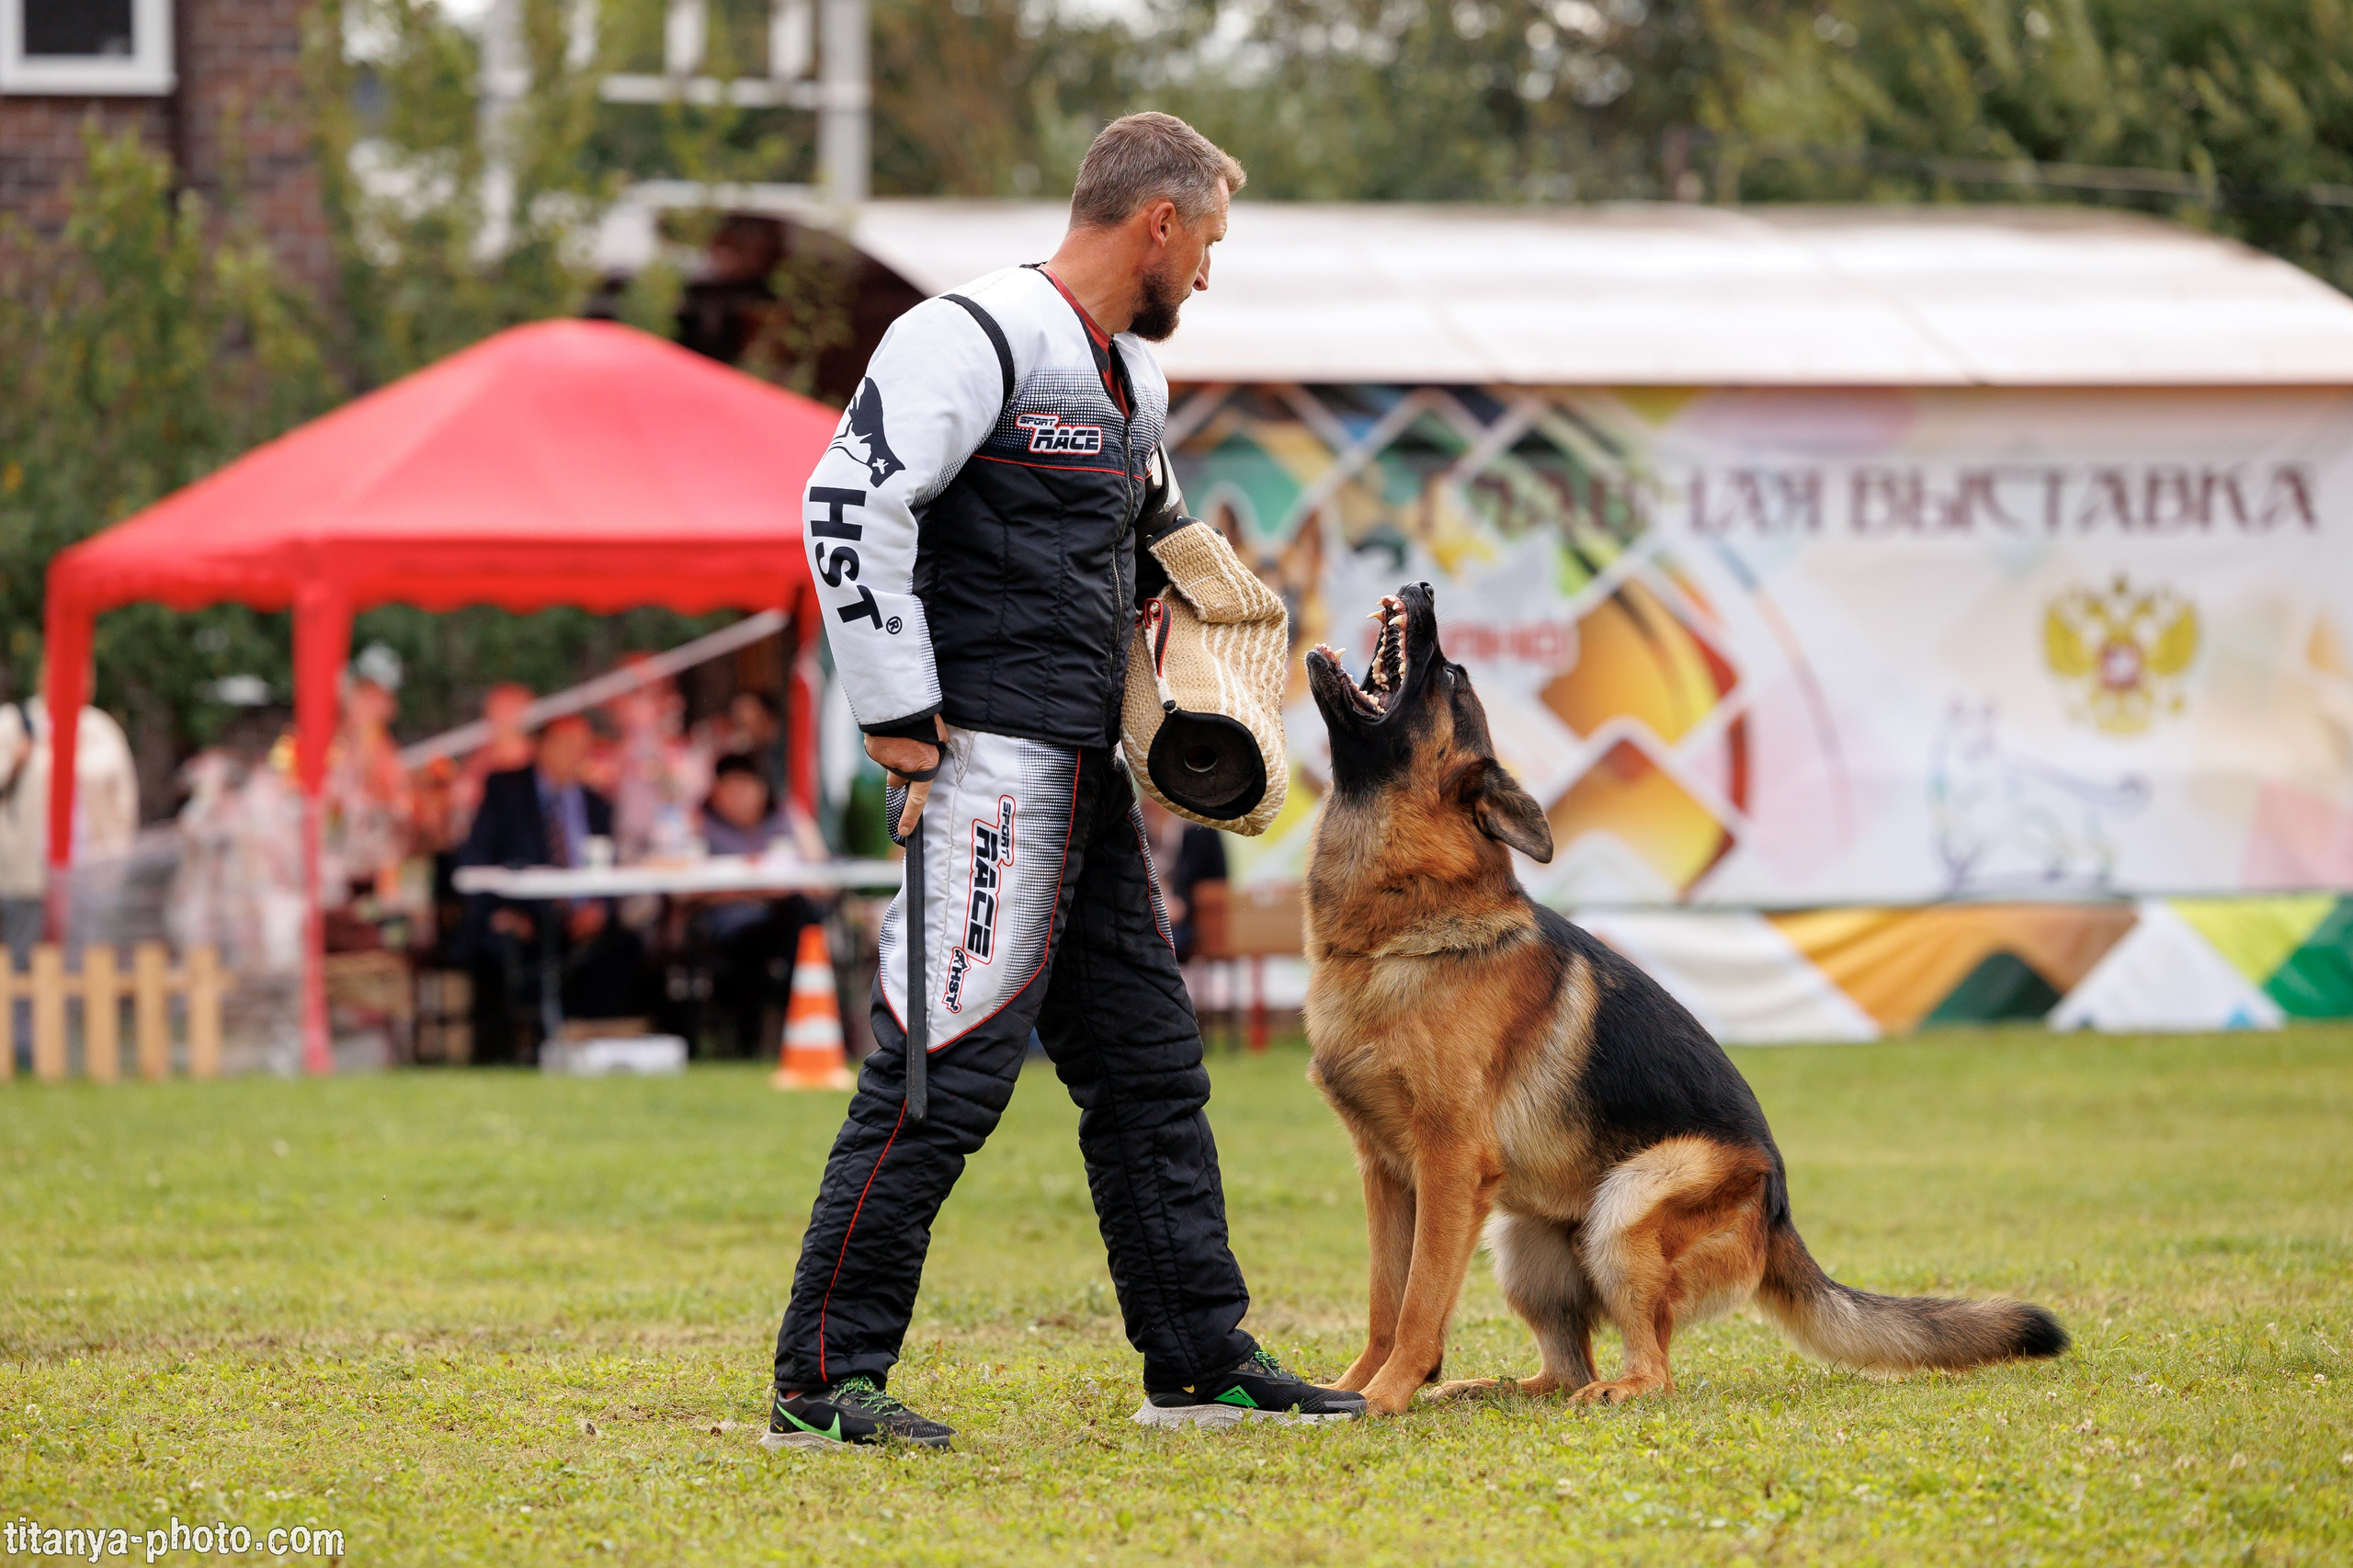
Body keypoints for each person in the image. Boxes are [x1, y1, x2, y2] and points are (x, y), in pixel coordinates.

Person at [767, 112, 1364, 1453]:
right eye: (1206, 242)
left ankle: (1197, 1363)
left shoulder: (1129, 387)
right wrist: (901, 718)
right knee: (943, 1073)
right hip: (982, 766)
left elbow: (1147, 549)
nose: (1207, 274)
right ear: (1156, 222)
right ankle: (821, 1381)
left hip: (1093, 777)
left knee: (1154, 1071)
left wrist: (1214, 617)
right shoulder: (967, 334)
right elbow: (846, 502)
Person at [458, 716, 645, 1057]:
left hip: (582, 920)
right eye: (566, 746)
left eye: (582, 748)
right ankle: (525, 1049)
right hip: (525, 917)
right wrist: (497, 912)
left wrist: (599, 908)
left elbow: (610, 865)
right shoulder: (506, 791)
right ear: (541, 746)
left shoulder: (595, 802)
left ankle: (595, 1046)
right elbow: (475, 858)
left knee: (624, 947)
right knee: (509, 954)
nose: (576, 755)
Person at [690, 753, 829, 1058]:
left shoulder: (786, 817)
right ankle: (799, 1021)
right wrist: (754, 890)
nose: (740, 797)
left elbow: (823, 879)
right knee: (789, 928)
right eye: (731, 788)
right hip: (732, 928)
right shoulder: (700, 822)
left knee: (799, 913)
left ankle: (806, 1020)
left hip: (782, 922)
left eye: (747, 787)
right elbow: (685, 887)